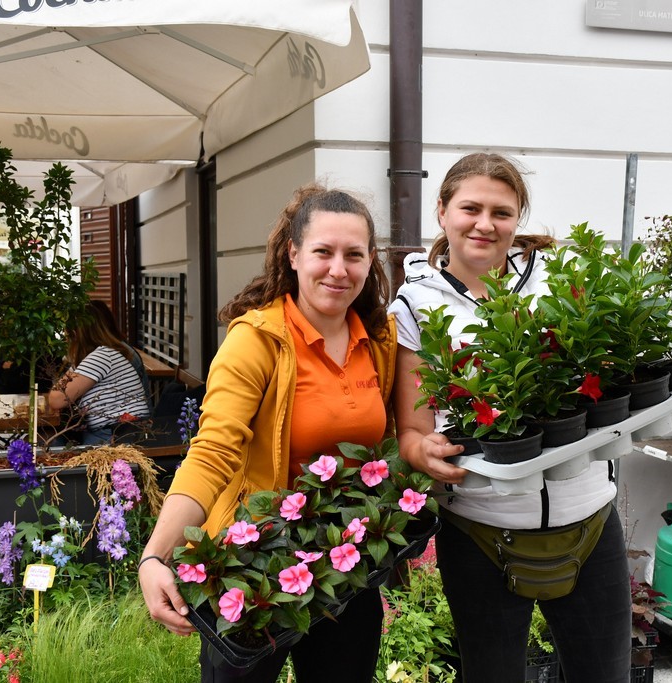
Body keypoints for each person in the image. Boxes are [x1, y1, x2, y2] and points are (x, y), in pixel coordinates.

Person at [139, 185, 396, 683]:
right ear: (294, 254)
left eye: (354, 255)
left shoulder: (378, 339)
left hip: (345, 560)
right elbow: (212, 452)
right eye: (323, 251)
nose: (338, 269)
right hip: (252, 562)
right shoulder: (256, 340)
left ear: (370, 262)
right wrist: (156, 555)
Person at [390, 153, 632, 682]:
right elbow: (411, 427)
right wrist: (420, 451)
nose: (485, 224)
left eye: (501, 212)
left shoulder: (561, 280)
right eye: (470, 208)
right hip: (481, 528)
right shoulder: (414, 305)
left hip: (589, 517)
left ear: (518, 218)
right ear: (442, 212)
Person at [46, 301, 151, 446]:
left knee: (53, 444)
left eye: (68, 334)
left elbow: (57, 399)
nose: (67, 339)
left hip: (115, 434)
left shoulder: (101, 356)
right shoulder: (104, 353)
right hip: (119, 430)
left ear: (77, 333)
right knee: (56, 442)